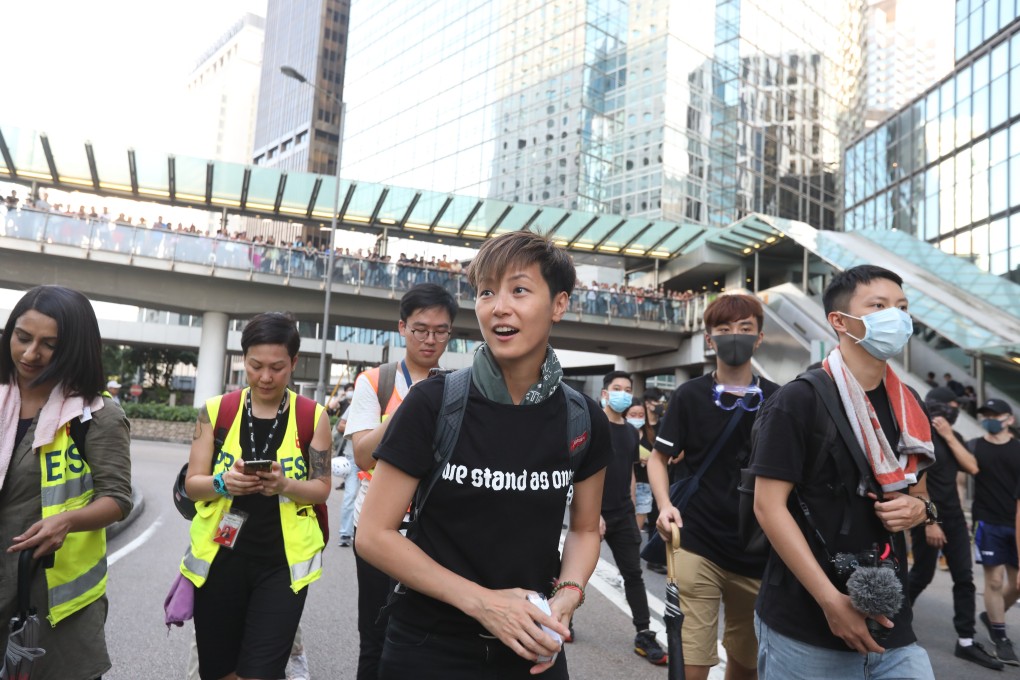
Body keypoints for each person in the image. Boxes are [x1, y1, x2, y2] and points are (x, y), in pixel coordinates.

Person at [356, 230, 610, 679]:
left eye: (519, 290)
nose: (498, 307)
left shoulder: (583, 417)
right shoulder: (433, 403)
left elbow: (587, 529)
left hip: (534, 649)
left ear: (558, 305)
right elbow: (374, 534)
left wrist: (568, 594)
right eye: (486, 291)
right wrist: (486, 604)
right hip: (428, 648)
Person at [751, 264, 936, 679]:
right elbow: (768, 507)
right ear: (840, 321)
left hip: (891, 623)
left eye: (903, 307)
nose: (898, 316)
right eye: (880, 305)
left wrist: (919, 510)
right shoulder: (798, 400)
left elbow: (922, 495)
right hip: (804, 625)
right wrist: (829, 601)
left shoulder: (911, 407)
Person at [180, 312, 332, 680]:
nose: (266, 377)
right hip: (221, 561)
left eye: (278, 367)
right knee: (219, 670)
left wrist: (287, 486)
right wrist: (223, 483)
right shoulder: (215, 411)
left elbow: (322, 488)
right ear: (243, 359)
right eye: (256, 365)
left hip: (282, 567)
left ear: (293, 363)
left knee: (260, 672)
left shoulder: (314, 416)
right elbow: (192, 482)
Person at [0, 285, 132, 680]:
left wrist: (68, 521)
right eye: (22, 337)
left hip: (54, 603)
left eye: (48, 345)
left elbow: (118, 498)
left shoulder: (96, 415)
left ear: (73, 347)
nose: (29, 353)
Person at [647, 293, 779, 680]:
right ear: (709, 339)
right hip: (696, 539)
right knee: (692, 663)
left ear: (759, 338)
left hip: (757, 548)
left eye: (744, 329)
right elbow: (658, 457)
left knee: (746, 662)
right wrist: (664, 504)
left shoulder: (780, 397)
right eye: (723, 330)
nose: (733, 336)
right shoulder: (690, 395)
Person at [344, 283, 459, 679]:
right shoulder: (377, 382)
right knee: (375, 637)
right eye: (420, 329)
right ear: (402, 328)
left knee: (427, 639)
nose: (430, 339)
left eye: (440, 331)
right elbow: (361, 453)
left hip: (433, 533)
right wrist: (413, 406)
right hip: (378, 528)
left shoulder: (460, 386)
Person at [906, 387, 1002, 669]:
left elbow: (972, 467)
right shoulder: (920, 434)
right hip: (928, 517)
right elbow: (916, 485)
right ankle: (895, 623)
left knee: (965, 578)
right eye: (950, 404)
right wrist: (931, 523)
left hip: (956, 518)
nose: (955, 409)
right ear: (935, 406)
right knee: (921, 574)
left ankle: (966, 641)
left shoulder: (953, 437)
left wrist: (949, 435)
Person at [595, 371, 667, 664]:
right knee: (575, 572)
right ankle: (563, 620)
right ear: (604, 394)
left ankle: (644, 633)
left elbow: (628, 474)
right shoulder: (593, 425)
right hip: (593, 513)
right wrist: (592, 513)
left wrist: (635, 507)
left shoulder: (629, 432)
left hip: (623, 513)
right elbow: (579, 473)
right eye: (616, 388)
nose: (622, 393)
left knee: (633, 574)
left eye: (627, 388)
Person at [947, 397, 1020, 665]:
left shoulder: (1018, 449)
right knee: (994, 581)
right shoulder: (974, 446)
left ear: (1009, 419)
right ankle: (1000, 636)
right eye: (985, 414)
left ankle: (991, 616)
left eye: (995, 414)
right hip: (987, 521)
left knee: (1017, 584)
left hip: (1016, 522)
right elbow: (962, 483)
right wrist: (958, 513)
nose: (989, 418)